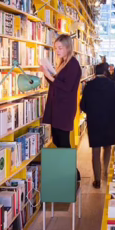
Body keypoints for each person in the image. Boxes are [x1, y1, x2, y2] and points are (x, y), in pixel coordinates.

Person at [41, 34, 83, 179]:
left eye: (60, 48)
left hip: (64, 109)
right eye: (55, 48)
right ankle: (69, 173)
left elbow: (67, 87)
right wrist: (47, 74)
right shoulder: (64, 63)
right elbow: (56, 84)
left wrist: (49, 76)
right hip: (57, 107)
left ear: (68, 48)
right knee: (58, 140)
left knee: (63, 141)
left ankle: (73, 174)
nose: (57, 51)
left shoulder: (73, 64)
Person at [80, 62, 115, 188]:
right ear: (106, 72)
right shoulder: (113, 85)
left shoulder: (88, 86)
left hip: (94, 122)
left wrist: (90, 112)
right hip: (110, 121)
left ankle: (97, 179)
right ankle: (105, 171)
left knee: (95, 151)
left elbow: (83, 105)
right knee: (107, 147)